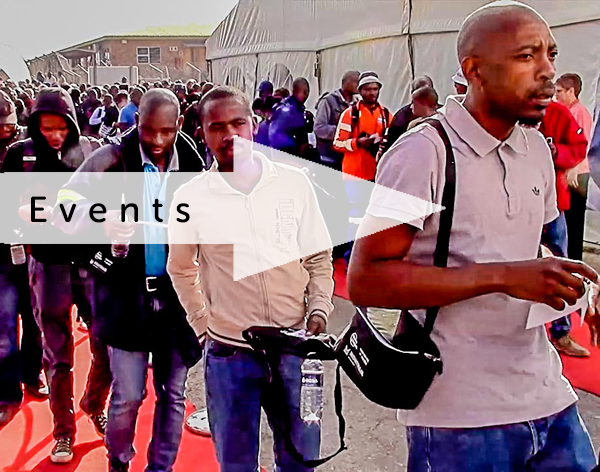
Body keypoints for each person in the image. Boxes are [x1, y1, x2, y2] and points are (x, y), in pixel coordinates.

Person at [347, 2, 598, 471]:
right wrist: (503, 276)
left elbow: (524, 247)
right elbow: (366, 280)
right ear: (474, 70)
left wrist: (577, 286)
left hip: (547, 396)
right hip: (459, 416)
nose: (547, 71)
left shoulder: (536, 148)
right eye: (527, 56)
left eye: (551, 54)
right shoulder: (424, 152)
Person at [167, 85, 333, 472]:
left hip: (293, 347)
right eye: (217, 127)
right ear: (202, 133)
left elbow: (319, 255)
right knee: (237, 464)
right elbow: (181, 267)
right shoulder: (191, 197)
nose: (230, 134)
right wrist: (203, 324)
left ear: (254, 124)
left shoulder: (293, 183)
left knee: (300, 461)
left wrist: (319, 309)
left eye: (238, 123)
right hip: (230, 355)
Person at [54, 89, 204, 472]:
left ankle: (161, 468)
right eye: (149, 130)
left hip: (177, 299)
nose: (157, 141)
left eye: (166, 131)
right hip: (125, 297)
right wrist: (100, 220)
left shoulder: (192, 162)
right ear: (137, 122)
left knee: (173, 395)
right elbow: (63, 206)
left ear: (179, 125)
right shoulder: (111, 158)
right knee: (128, 395)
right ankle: (118, 462)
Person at [2, 88, 110, 464]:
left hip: (91, 264)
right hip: (48, 265)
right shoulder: (19, 155)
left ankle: (94, 403)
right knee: (57, 354)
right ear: (34, 124)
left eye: (61, 128)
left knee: (106, 345)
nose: (55, 136)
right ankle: (63, 432)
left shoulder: (93, 150)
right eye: (46, 128)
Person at [0, 91, 47, 428]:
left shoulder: (28, 148)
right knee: (3, 324)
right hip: (1, 250)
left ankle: (33, 373)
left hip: (32, 245)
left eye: (9, 125)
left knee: (35, 318)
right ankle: (6, 391)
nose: (6, 130)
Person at [538, 99, 589, 357]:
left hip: (553, 203)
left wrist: (556, 152)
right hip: (514, 203)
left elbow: (579, 146)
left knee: (562, 265)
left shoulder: (558, 113)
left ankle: (561, 332)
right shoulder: (503, 107)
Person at [333, 71, 392, 263]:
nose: (372, 93)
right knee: (356, 217)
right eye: (367, 89)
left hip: (377, 173)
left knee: (374, 217)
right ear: (360, 91)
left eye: (375, 89)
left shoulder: (385, 114)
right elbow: (337, 143)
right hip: (354, 175)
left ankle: (369, 256)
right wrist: (358, 143)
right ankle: (351, 256)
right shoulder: (350, 115)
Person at [555, 73, 593, 261]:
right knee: (566, 220)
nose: (556, 96)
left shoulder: (580, 112)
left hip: (577, 173)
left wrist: (574, 168)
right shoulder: (566, 111)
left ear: (571, 91)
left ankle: (574, 260)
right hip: (567, 171)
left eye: (560, 91)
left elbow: (583, 144)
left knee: (574, 221)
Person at [314, 70, 360, 170]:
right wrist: (341, 132)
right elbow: (319, 128)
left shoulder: (356, 104)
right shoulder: (328, 101)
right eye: (356, 82)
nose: (359, 85)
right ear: (345, 82)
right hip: (328, 158)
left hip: (346, 157)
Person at [384, 76, 434, 152]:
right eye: (420, 94)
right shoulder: (401, 118)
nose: (424, 97)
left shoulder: (442, 113)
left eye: (427, 92)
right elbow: (393, 146)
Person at [268, 78, 311, 157]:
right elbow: (277, 136)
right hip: (285, 155)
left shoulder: (297, 108)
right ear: (305, 92)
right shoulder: (288, 110)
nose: (306, 96)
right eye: (306, 93)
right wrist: (298, 147)